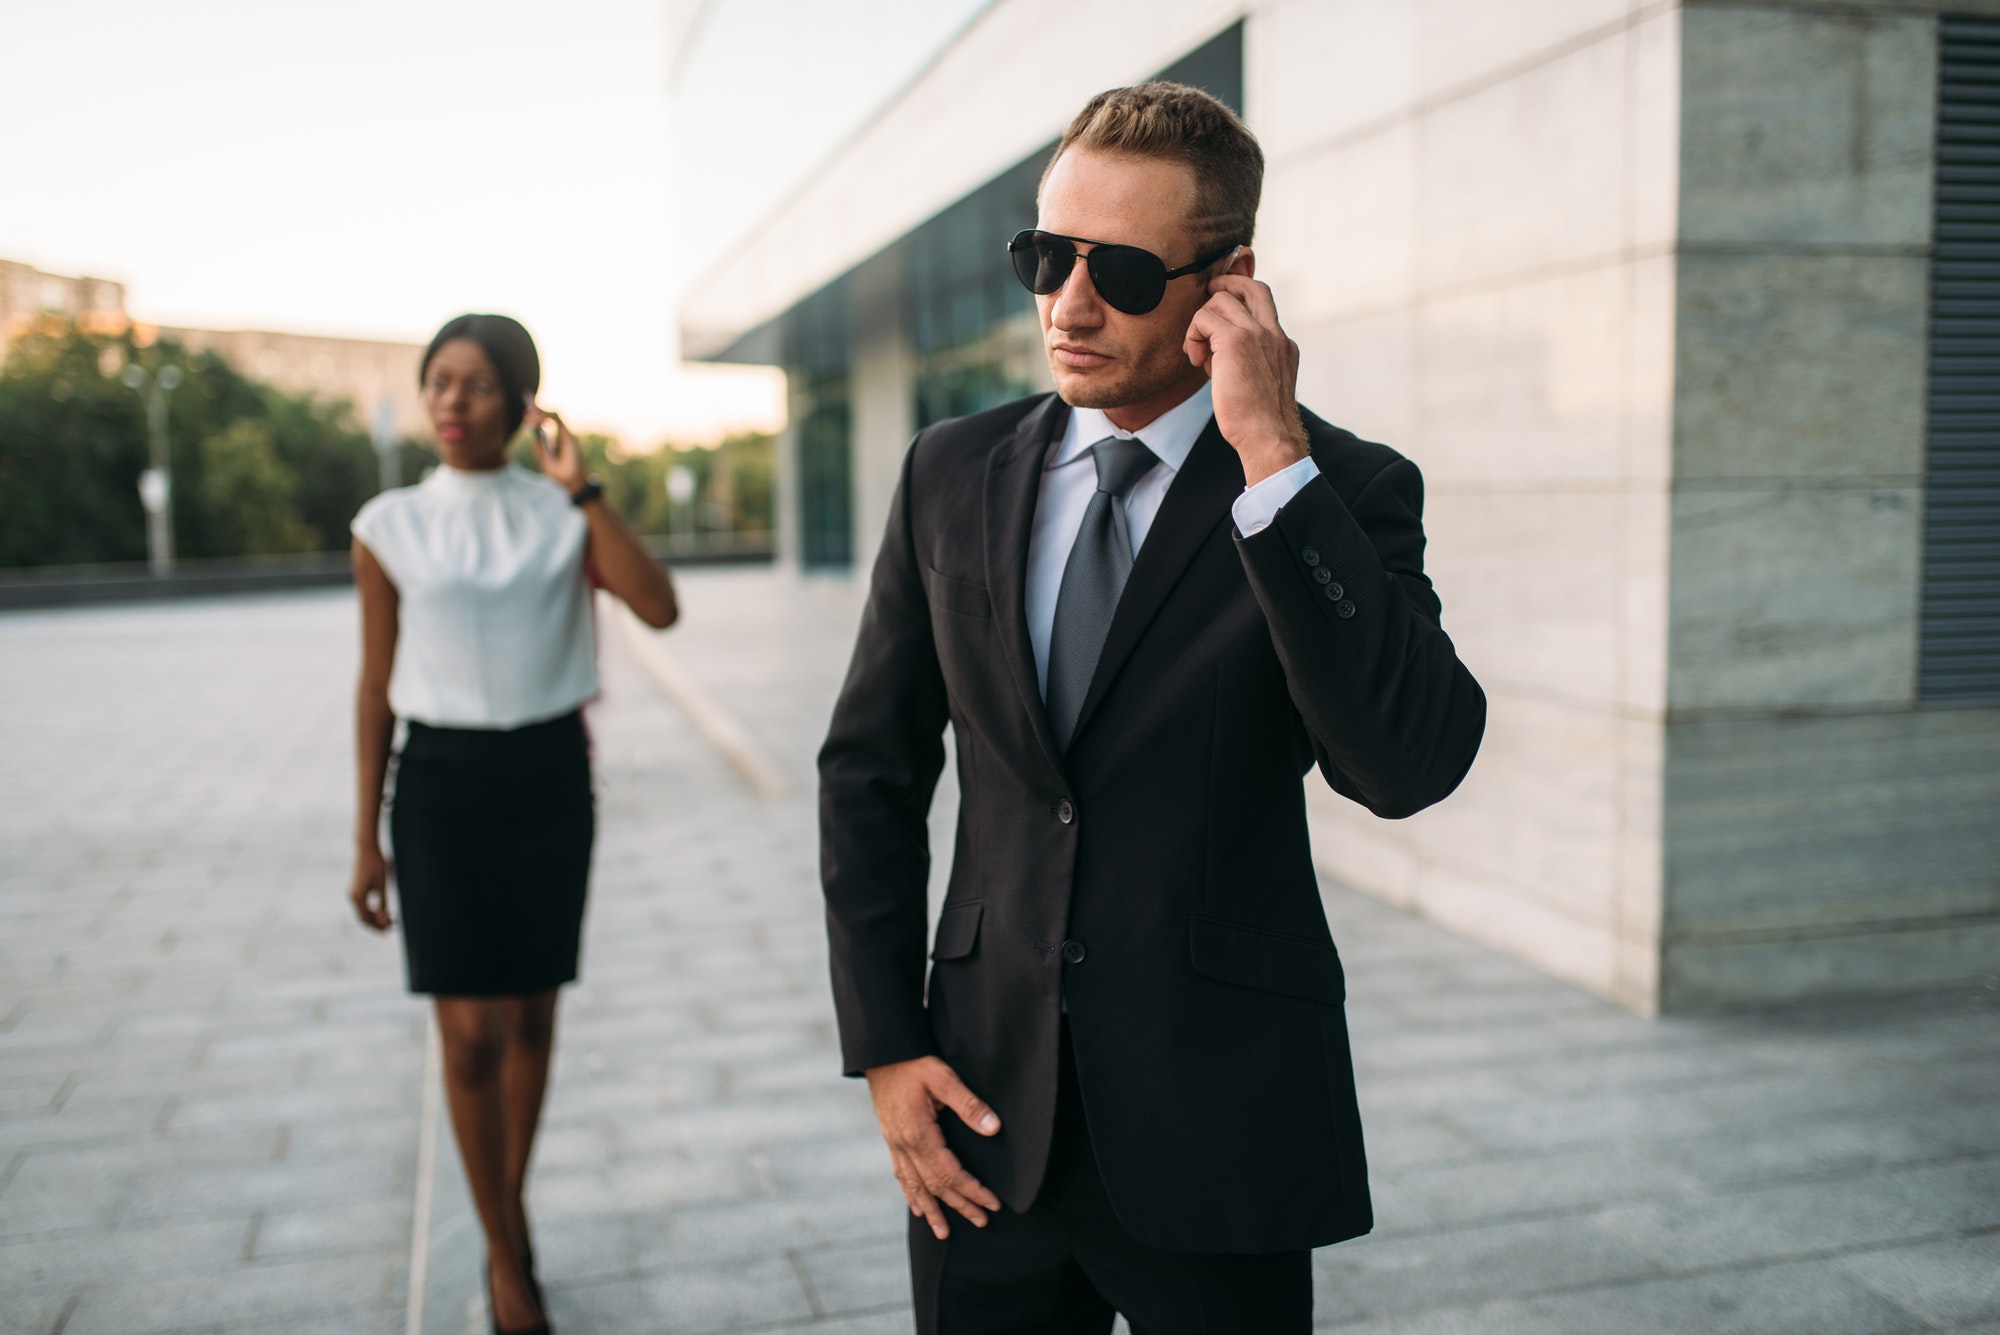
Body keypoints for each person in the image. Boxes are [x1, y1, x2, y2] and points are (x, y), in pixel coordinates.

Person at [818, 83, 1487, 1332]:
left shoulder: (1335, 488)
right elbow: (868, 769)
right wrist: (885, 1046)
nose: (1067, 305)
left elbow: (1405, 762)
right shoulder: (947, 472)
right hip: (980, 1119)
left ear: (1227, 283)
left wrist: (1271, 460)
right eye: (1043, 258)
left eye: (1118, 270)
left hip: (1216, 1121)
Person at [345, 314, 676, 1335]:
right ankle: (503, 1254)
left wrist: (582, 486)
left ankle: (505, 1212)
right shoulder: (388, 523)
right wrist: (366, 835)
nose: (450, 401)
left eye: (476, 384)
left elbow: (656, 606)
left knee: (531, 1017)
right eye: (437, 381)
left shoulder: (561, 513)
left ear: (522, 404)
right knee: (469, 1034)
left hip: (544, 781)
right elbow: (374, 683)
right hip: (438, 785)